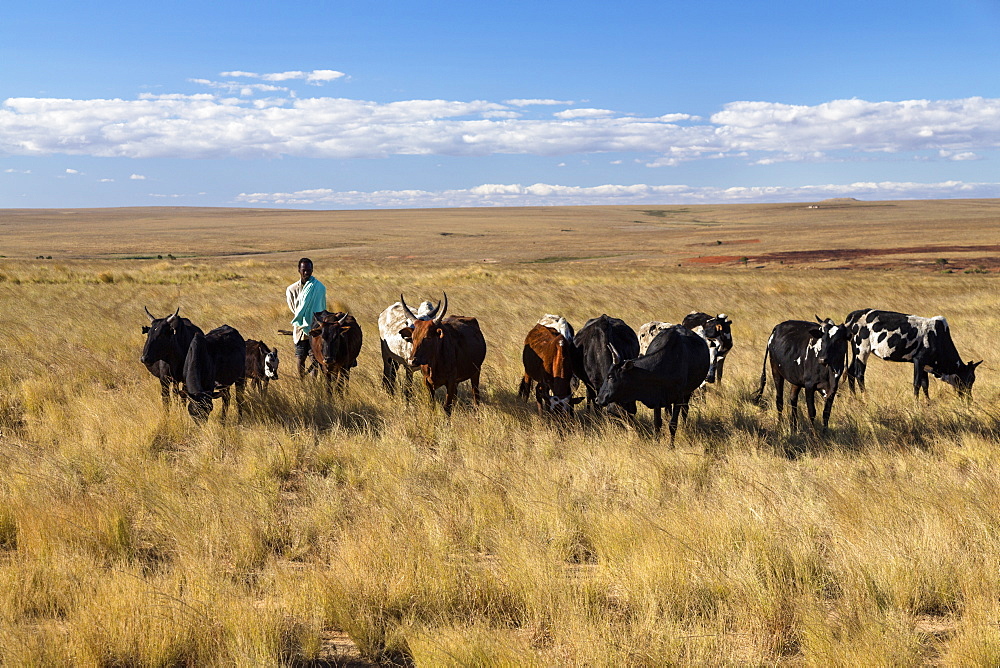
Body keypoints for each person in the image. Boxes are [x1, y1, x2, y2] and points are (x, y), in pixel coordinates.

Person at [286, 258, 327, 378]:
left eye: (308, 270)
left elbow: (322, 308)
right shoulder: (291, 290)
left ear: (312, 270)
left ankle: (314, 382)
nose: (306, 273)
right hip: (300, 328)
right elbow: (295, 309)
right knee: (300, 357)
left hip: (315, 328)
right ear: (299, 270)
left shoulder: (319, 288)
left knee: (315, 357)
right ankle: (301, 381)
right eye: (303, 270)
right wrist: (303, 317)